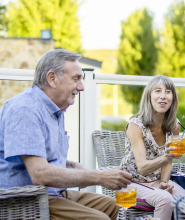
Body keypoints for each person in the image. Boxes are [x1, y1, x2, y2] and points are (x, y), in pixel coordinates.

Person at [0, 49, 132, 220]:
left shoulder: (55, 110)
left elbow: (39, 153)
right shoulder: (25, 110)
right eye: (76, 78)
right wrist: (97, 177)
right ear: (52, 78)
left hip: (52, 194)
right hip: (27, 200)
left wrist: (70, 164)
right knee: (99, 219)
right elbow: (39, 173)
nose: (82, 87)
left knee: (111, 205)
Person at [119, 75, 185, 220]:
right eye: (158, 91)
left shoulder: (174, 126)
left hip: (156, 181)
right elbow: (142, 167)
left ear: (173, 98)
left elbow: (168, 163)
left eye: (168, 92)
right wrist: (166, 157)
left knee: (184, 200)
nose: (163, 96)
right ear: (149, 96)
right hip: (130, 182)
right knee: (165, 199)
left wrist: (164, 183)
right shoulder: (136, 125)